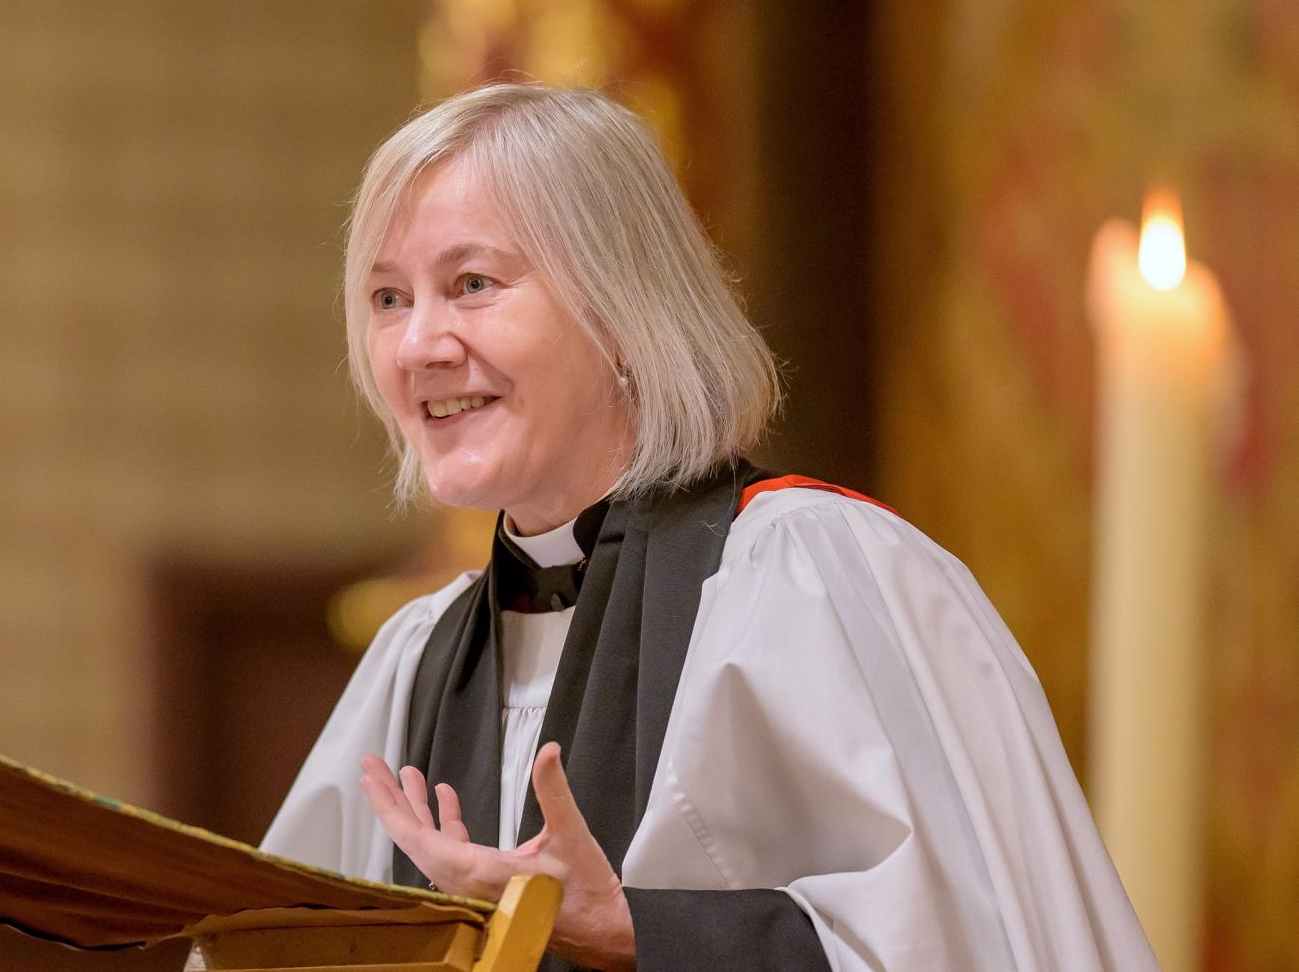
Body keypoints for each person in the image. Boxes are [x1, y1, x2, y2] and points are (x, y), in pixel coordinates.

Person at [260, 84, 1157, 971]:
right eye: (387, 299)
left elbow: (962, 948)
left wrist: (633, 930)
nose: (420, 344)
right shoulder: (418, 662)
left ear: (618, 309)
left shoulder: (809, 575)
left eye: (473, 284)